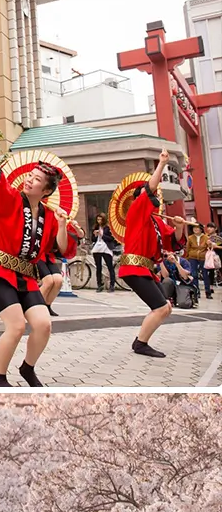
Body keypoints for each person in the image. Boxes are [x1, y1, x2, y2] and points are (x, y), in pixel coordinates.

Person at [0, 128, 68, 388]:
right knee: (16, 327)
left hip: (27, 276)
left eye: (37, 180)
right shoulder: (10, 200)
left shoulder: (50, 216)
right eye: (30, 175)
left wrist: (62, 225)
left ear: (47, 190)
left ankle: (27, 368)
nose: (29, 180)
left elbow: (60, 249)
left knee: (43, 325)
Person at [116, 151, 188, 358]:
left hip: (146, 269)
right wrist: (162, 163)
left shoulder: (156, 222)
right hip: (133, 267)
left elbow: (172, 241)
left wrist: (179, 227)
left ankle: (141, 341)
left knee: (166, 307)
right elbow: (150, 188)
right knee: (159, 307)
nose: (154, 198)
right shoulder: (136, 212)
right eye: (150, 195)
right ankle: (140, 344)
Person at [37, 216, 85, 316]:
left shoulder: (64, 222)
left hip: (49, 255)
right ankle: (35, 307)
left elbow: (80, 235)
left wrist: (75, 227)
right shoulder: (43, 217)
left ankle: (47, 305)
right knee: (48, 281)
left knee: (58, 280)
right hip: (38, 254)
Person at [91, 212, 118, 290]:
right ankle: (99, 284)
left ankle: (112, 285)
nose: (99, 221)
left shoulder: (108, 228)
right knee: (98, 267)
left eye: (100, 219)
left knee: (110, 267)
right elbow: (93, 239)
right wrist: (95, 235)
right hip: (97, 248)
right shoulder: (96, 227)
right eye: (98, 219)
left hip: (106, 248)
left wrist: (102, 235)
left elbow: (111, 239)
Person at [185, 221, 212, 299]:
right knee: (194, 274)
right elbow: (188, 248)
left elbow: (210, 248)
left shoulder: (206, 237)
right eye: (194, 228)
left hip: (203, 257)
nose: (195, 229)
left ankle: (208, 292)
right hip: (192, 257)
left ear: (201, 229)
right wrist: (188, 257)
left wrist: (210, 244)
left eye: (197, 228)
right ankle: (197, 292)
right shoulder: (190, 238)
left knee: (205, 275)